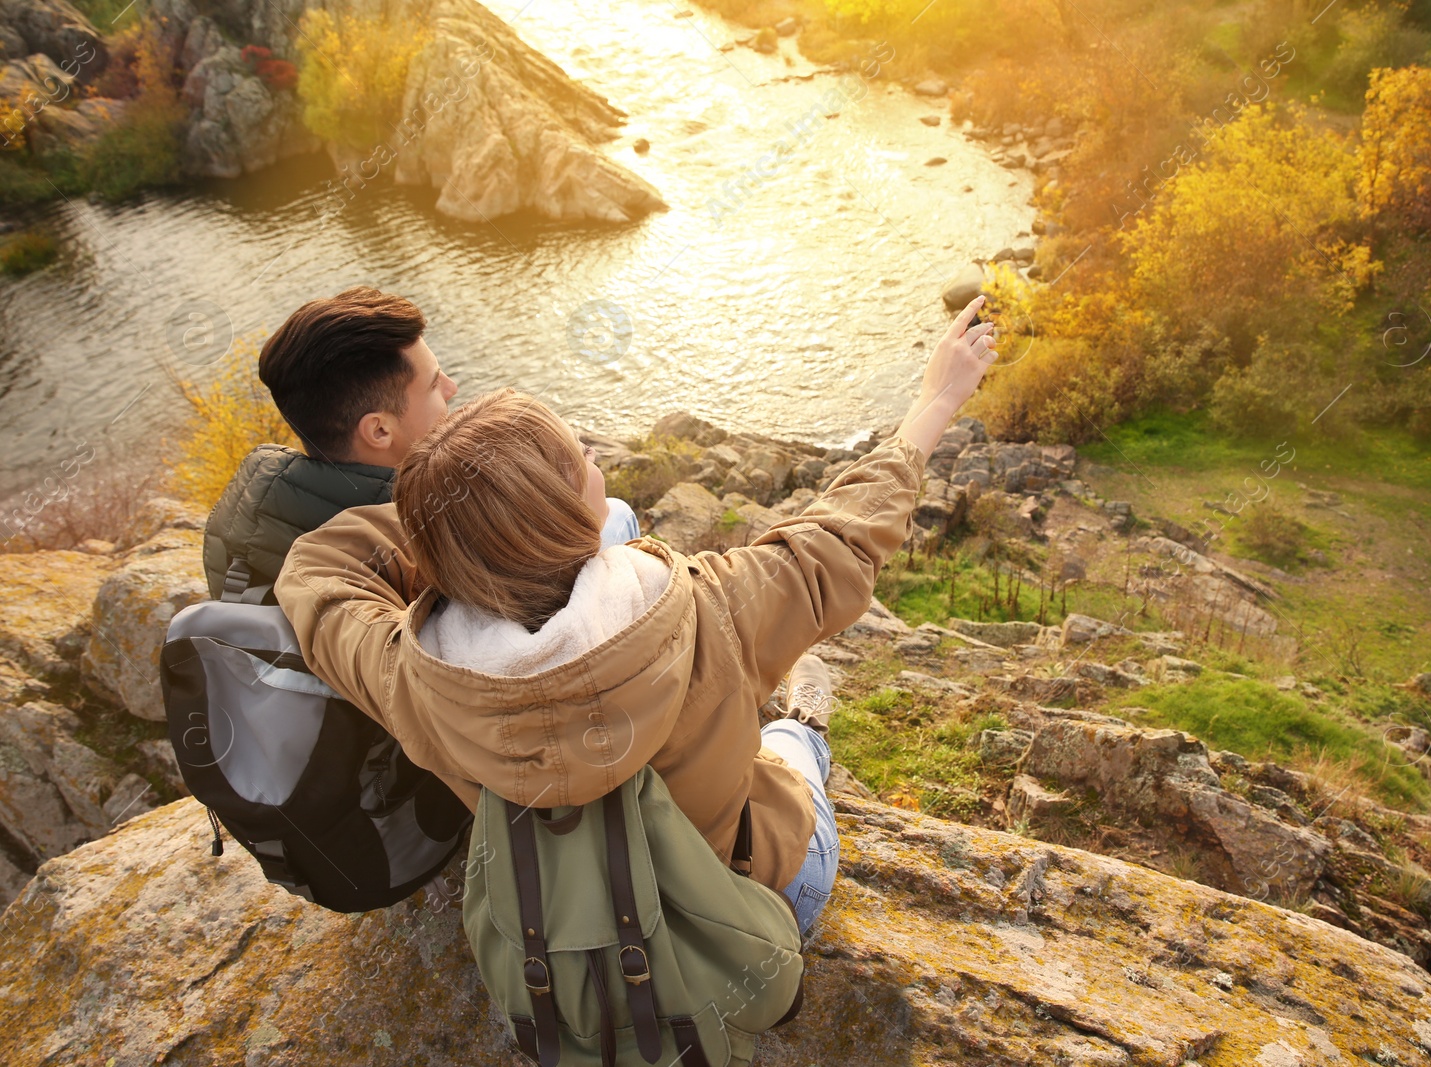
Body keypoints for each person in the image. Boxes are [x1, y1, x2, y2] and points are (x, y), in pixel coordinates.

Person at [273, 296, 1000, 931]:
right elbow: (837, 540)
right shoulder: (707, 603)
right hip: (741, 917)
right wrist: (933, 402)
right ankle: (802, 725)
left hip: (562, 944)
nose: (594, 457)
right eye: (579, 454)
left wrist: (459, 524)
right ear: (563, 509)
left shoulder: (414, 675)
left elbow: (314, 572)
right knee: (789, 744)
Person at [201, 286, 640, 598]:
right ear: (379, 431)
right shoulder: (427, 529)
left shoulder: (246, 505)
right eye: (432, 385)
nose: (451, 388)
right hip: (413, 720)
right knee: (615, 515)